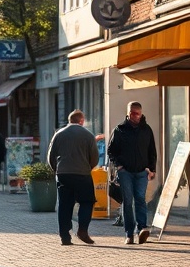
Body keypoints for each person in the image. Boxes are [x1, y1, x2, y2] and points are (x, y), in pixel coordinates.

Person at [46, 110, 100, 246]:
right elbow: (94, 157)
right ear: (82, 121)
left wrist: (56, 170)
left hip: (63, 174)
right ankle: (82, 230)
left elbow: (51, 156)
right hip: (82, 174)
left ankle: (65, 235)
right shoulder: (88, 135)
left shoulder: (59, 134)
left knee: (64, 204)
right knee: (87, 201)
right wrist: (88, 167)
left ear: (69, 120)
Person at [108, 101, 157, 245]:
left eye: (138, 113)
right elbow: (111, 151)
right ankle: (129, 234)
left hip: (142, 172)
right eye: (132, 113)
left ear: (141, 114)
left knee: (140, 199)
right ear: (128, 114)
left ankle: (142, 229)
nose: (135, 116)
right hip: (125, 172)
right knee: (128, 201)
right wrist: (119, 166)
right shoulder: (120, 130)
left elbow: (152, 151)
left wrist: (151, 169)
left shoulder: (146, 129)